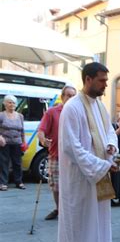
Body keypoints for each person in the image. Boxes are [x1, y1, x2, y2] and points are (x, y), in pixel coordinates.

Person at [56, 62, 119, 242]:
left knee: (98, 224)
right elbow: (71, 147)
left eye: (106, 80)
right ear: (88, 79)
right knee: (81, 226)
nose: (105, 85)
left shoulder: (100, 106)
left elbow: (109, 131)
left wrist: (111, 146)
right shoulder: (72, 108)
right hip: (80, 179)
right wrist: (101, 165)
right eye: (102, 80)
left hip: (97, 175)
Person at [38, 85, 77, 220]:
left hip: (75, 157)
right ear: (62, 97)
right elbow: (41, 130)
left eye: (73, 96)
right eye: (68, 95)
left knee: (73, 186)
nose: (71, 98)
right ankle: (59, 209)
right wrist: (43, 140)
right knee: (56, 186)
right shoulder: (52, 112)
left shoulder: (78, 112)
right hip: (56, 155)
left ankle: (70, 209)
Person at [0, 94, 27, 191]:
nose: (12, 104)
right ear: (5, 104)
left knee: (17, 163)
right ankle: (3, 183)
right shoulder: (1, 115)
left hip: (17, 142)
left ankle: (19, 182)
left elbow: (22, 130)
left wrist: (24, 143)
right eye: (9, 102)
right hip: (4, 143)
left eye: (13, 103)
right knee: (4, 163)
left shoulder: (20, 116)